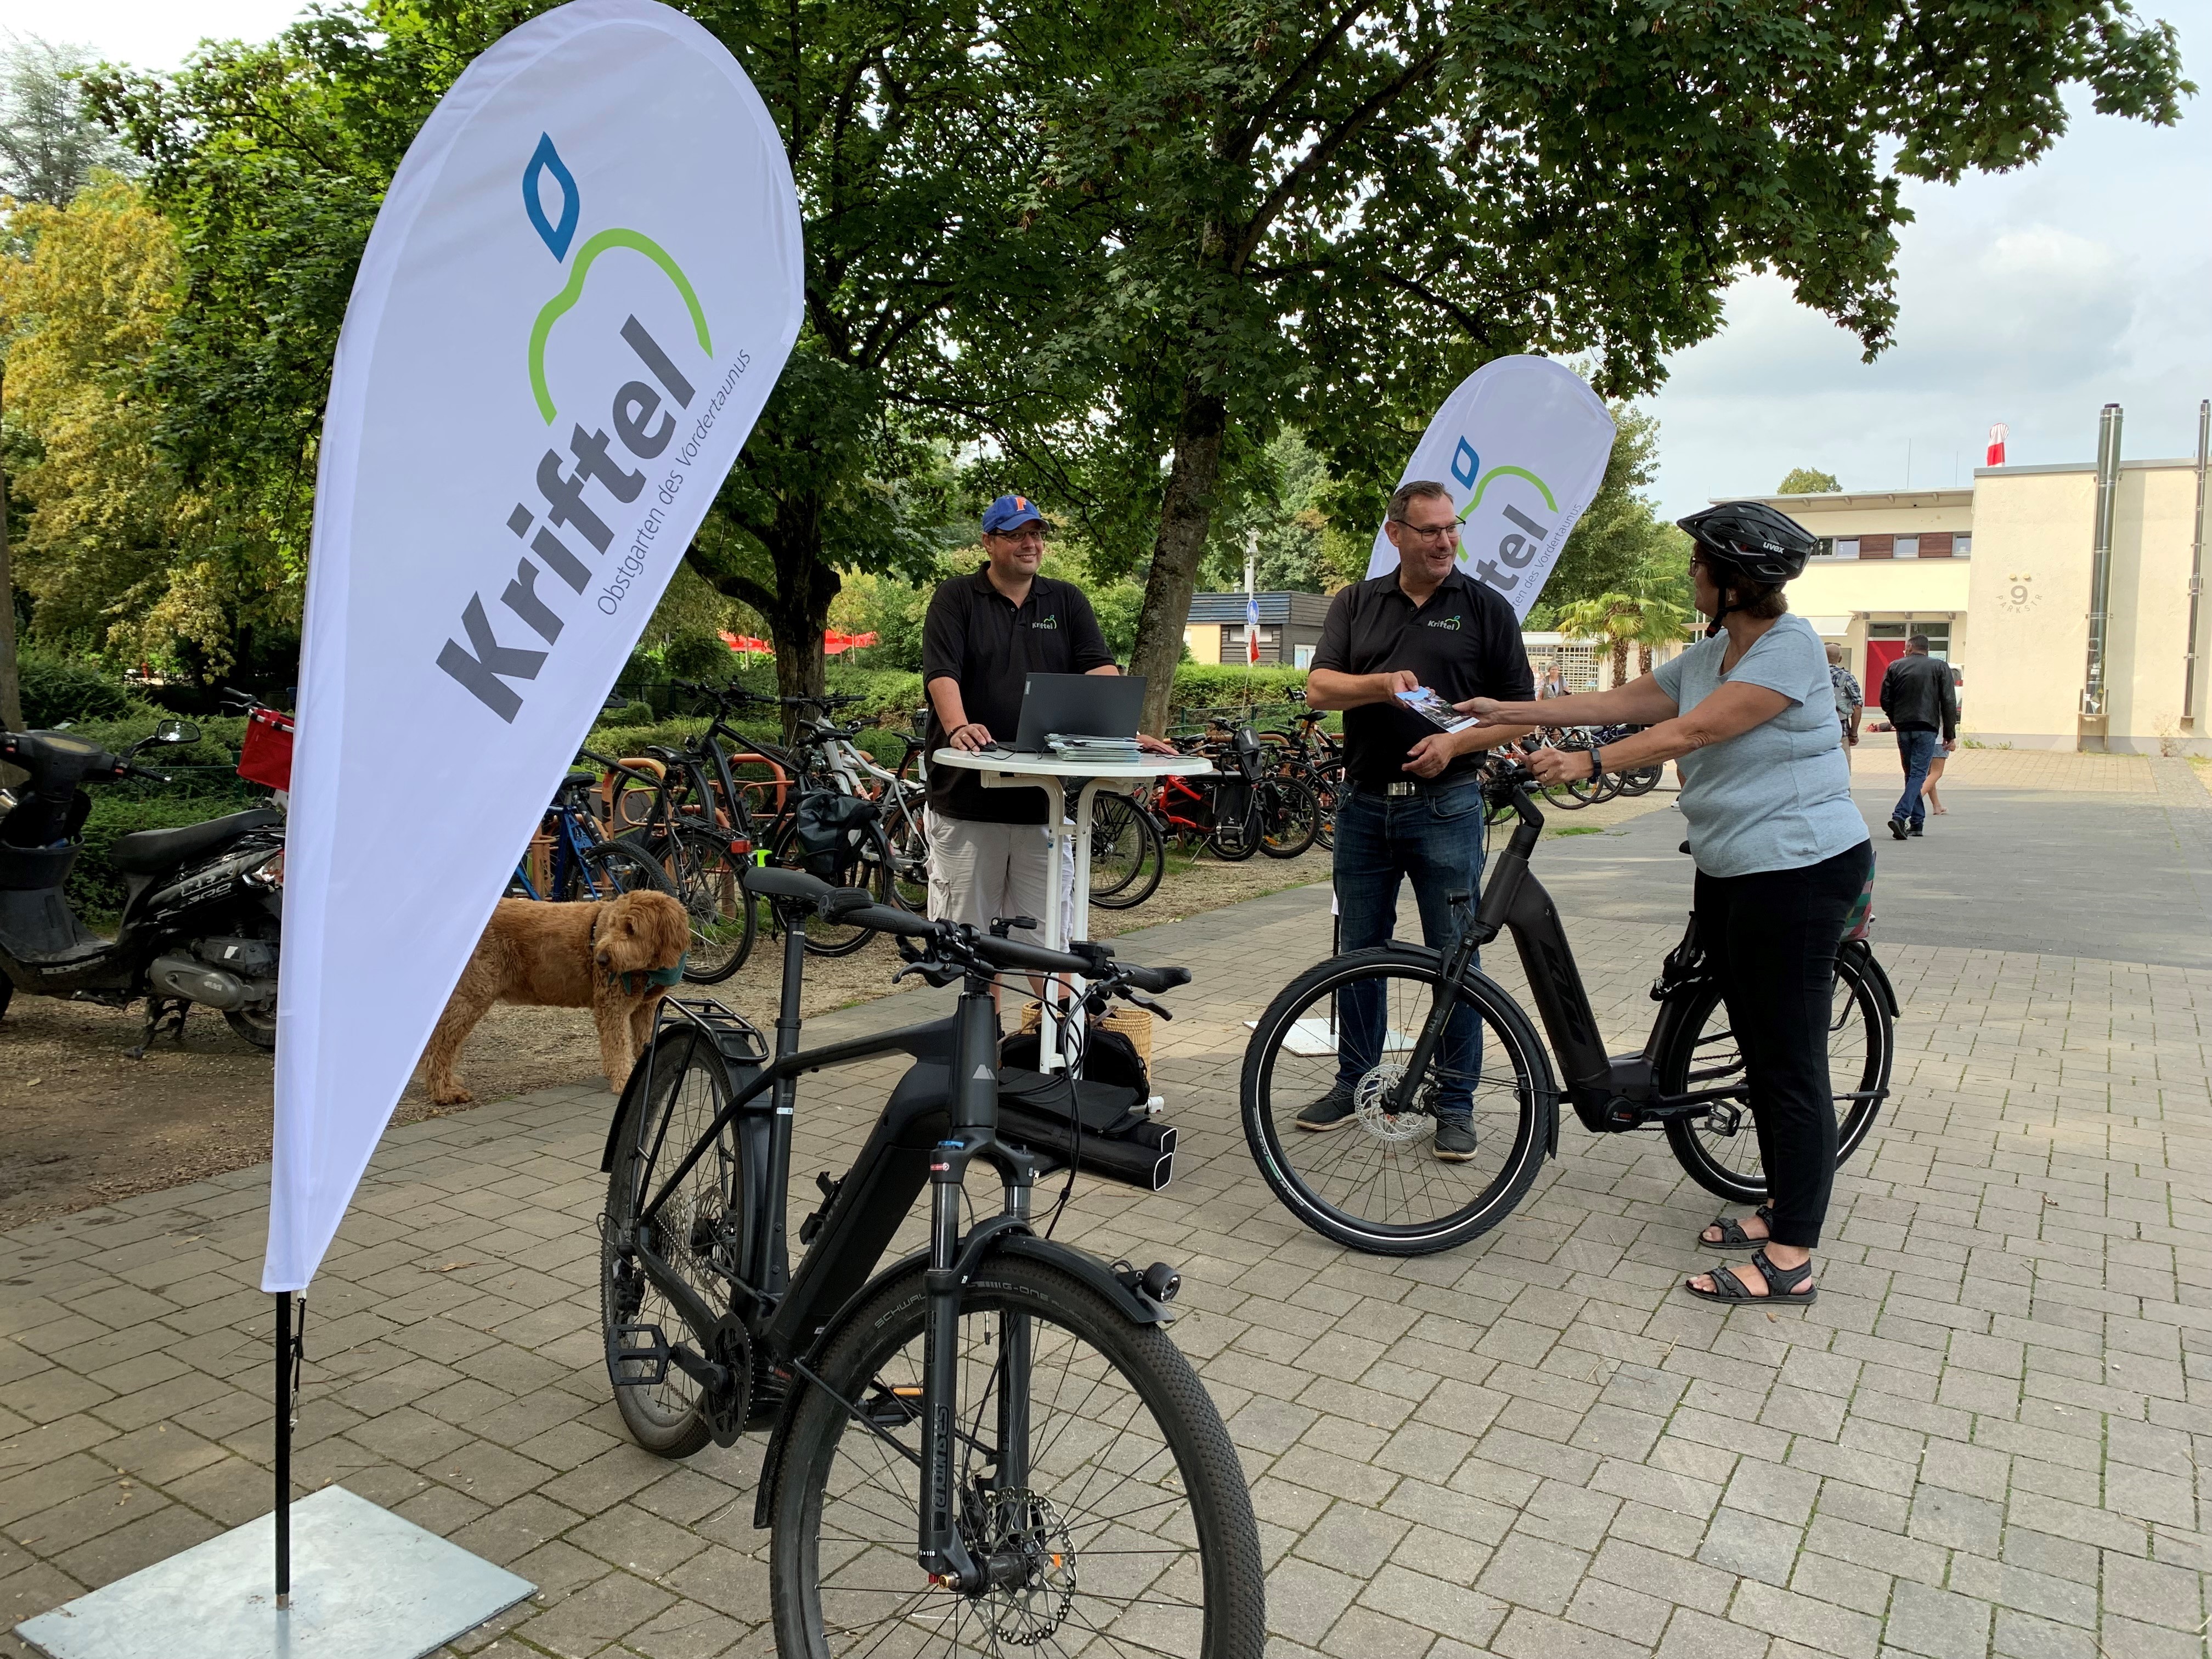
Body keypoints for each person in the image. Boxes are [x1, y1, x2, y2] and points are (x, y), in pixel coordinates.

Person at [1462, 501, 1871, 1305]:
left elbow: (1692, 734)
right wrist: (1508, 711)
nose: (1691, 574)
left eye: (1699, 566)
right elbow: (1621, 702)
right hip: (1732, 869)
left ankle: (1792, 1257)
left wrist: (1588, 768)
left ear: (1733, 579)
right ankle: (1776, 1207)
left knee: (1789, 1064)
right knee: (1757, 1046)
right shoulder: (1717, 649)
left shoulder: (1790, 652)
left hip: (1798, 872)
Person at [1297, 481, 1536, 1162]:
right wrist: (1381, 682)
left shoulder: (1486, 608)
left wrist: (1454, 744)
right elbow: (1319, 689)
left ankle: (1455, 1104)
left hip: (1449, 805)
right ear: (1395, 533)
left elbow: (1518, 709)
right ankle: (1355, 1084)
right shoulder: (1356, 602)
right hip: (1364, 804)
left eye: (1452, 529)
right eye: (1429, 530)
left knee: (1455, 958)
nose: (1444, 542)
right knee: (1358, 954)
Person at [921, 494, 1167, 937]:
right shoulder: (956, 597)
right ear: (988, 542)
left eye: (1035, 534)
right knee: (971, 941)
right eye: (1015, 535)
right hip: (968, 802)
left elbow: (1099, 670)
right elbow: (942, 673)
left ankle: (1058, 1009)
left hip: (1044, 803)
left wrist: (1124, 733)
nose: (1029, 543)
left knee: (1050, 934)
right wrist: (958, 726)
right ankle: (985, 1011)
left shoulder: (1066, 600)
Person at [1877, 634, 1957, 840]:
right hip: (1928, 726)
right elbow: (1949, 701)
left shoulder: (1895, 666)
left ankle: (1917, 822)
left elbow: (1885, 698)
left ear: (1911, 647)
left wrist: (1894, 719)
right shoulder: (1940, 667)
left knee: (1910, 773)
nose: (1904, 651)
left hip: (1904, 726)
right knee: (1918, 774)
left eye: (1905, 647)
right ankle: (1901, 815)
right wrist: (1949, 733)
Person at [1826, 642, 1863, 750]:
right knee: (1842, 765)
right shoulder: (1847, 678)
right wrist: (1854, 733)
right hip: (1840, 732)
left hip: (1815, 733)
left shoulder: (1813, 675)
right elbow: (1857, 707)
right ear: (1840, 659)